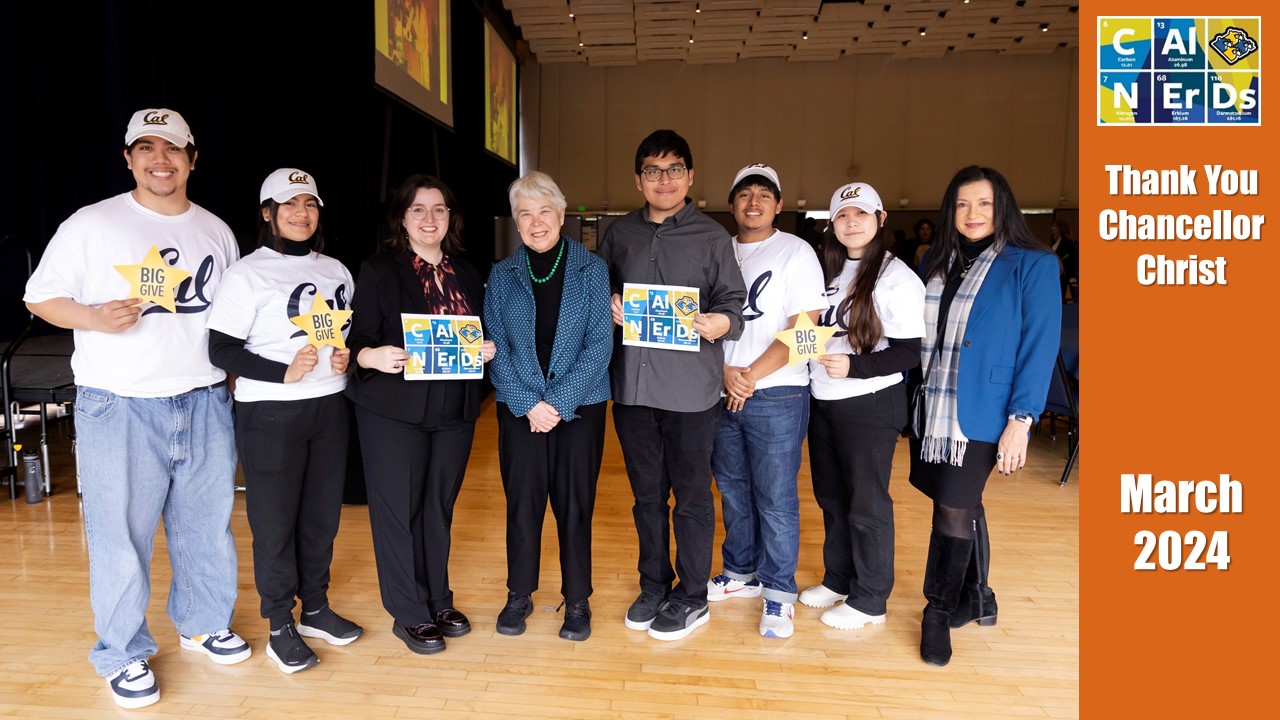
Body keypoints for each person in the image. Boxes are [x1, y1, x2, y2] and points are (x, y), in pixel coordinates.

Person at [23, 108, 248, 709]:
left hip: (202, 398)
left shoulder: (217, 232)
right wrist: (94, 317)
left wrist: (231, 378)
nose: (160, 159)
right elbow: (39, 296)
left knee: (206, 526)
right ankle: (122, 653)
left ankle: (203, 623)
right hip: (117, 403)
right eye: (145, 148)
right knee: (120, 535)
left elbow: (229, 320)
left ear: (192, 159)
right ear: (128, 159)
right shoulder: (91, 224)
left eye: (172, 148)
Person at [206, 169, 362, 674]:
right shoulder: (247, 273)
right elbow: (221, 349)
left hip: (330, 406)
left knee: (322, 516)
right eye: (289, 205)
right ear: (268, 214)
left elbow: (340, 335)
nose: (301, 214)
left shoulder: (337, 269)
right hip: (269, 411)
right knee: (274, 522)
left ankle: (315, 607)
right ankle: (278, 624)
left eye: (310, 204)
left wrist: (344, 358)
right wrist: (282, 370)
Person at [598, 129, 746, 641]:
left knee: (691, 497)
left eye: (674, 169)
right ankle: (653, 584)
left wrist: (719, 324)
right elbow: (602, 293)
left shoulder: (711, 237)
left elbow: (733, 305)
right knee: (645, 497)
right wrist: (610, 306)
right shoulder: (618, 235)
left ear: (690, 177)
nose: (664, 180)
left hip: (691, 393)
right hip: (634, 392)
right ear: (638, 179)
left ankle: (691, 596)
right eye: (654, 171)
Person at [911, 166, 1060, 666]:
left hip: (984, 409)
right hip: (934, 405)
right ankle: (979, 597)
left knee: (952, 506)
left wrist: (1022, 419)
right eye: (962, 204)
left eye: (984, 204)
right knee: (960, 500)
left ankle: (938, 609)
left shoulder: (1031, 264)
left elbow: (1039, 347)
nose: (972, 214)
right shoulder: (937, 260)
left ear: (1004, 209)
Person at [345, 174, 495, 655]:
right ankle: (409, 612)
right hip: (392, 410)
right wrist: (371, 357)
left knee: (437, 508)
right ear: (402, 218)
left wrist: (486, 348)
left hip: (454, 408)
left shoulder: (469, 272)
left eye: (439, 210)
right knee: (398, 512)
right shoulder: (378, 270)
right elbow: (356, 342)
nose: (429, 219)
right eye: (418, 210)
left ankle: (438, 599)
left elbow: (479, 332)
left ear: (450, 218)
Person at [484, 171, 612, 642]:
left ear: (561, 215)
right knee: (522, 504)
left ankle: (577, 600)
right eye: (525, 213)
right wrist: (527, 404)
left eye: (544, 211)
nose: (536, 222)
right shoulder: (502, 274)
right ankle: (520, 593)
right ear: (516, 222)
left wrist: (555, 404)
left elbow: (600, 346)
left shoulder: (592, 268)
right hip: (520, 412)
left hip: (579, 409)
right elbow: (493, 346)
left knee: (575, 506)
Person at [705, 164, 826, 639]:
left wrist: (750, 375)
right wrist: (724, 374)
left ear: (778, 204)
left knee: (775, 499)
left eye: (764, 194)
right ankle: (741, 574)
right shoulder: (717, 249)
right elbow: (697, 322)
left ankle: (778, 594)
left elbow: (808, 331)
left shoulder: (797, 252)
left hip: (777, 391)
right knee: (732, 490)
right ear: (731, 204)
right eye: (744, 194)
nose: (753, 202)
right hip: (720, 390)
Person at [798, 182, 925, 632]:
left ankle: (871, 599)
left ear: (881, 218)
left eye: (861, 214)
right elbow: (815, 329)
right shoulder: (826, 270)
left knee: (867, 504)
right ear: (832, 224)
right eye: (842, 216)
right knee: (831, 497)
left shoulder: (896, 277)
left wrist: (854, 366)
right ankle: (839, 579)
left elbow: (910, 352)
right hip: (823, 399)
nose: (851, 223)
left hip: (869, 403)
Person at [1050, 219, 1078, 301]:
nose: (1052, 228)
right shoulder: (1055, 241)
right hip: (1055, 271)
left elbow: (1072, 259)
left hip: (1063, 272)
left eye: (1055, 226)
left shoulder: (1068, 242)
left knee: (1061, 292)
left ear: (1060, 228)